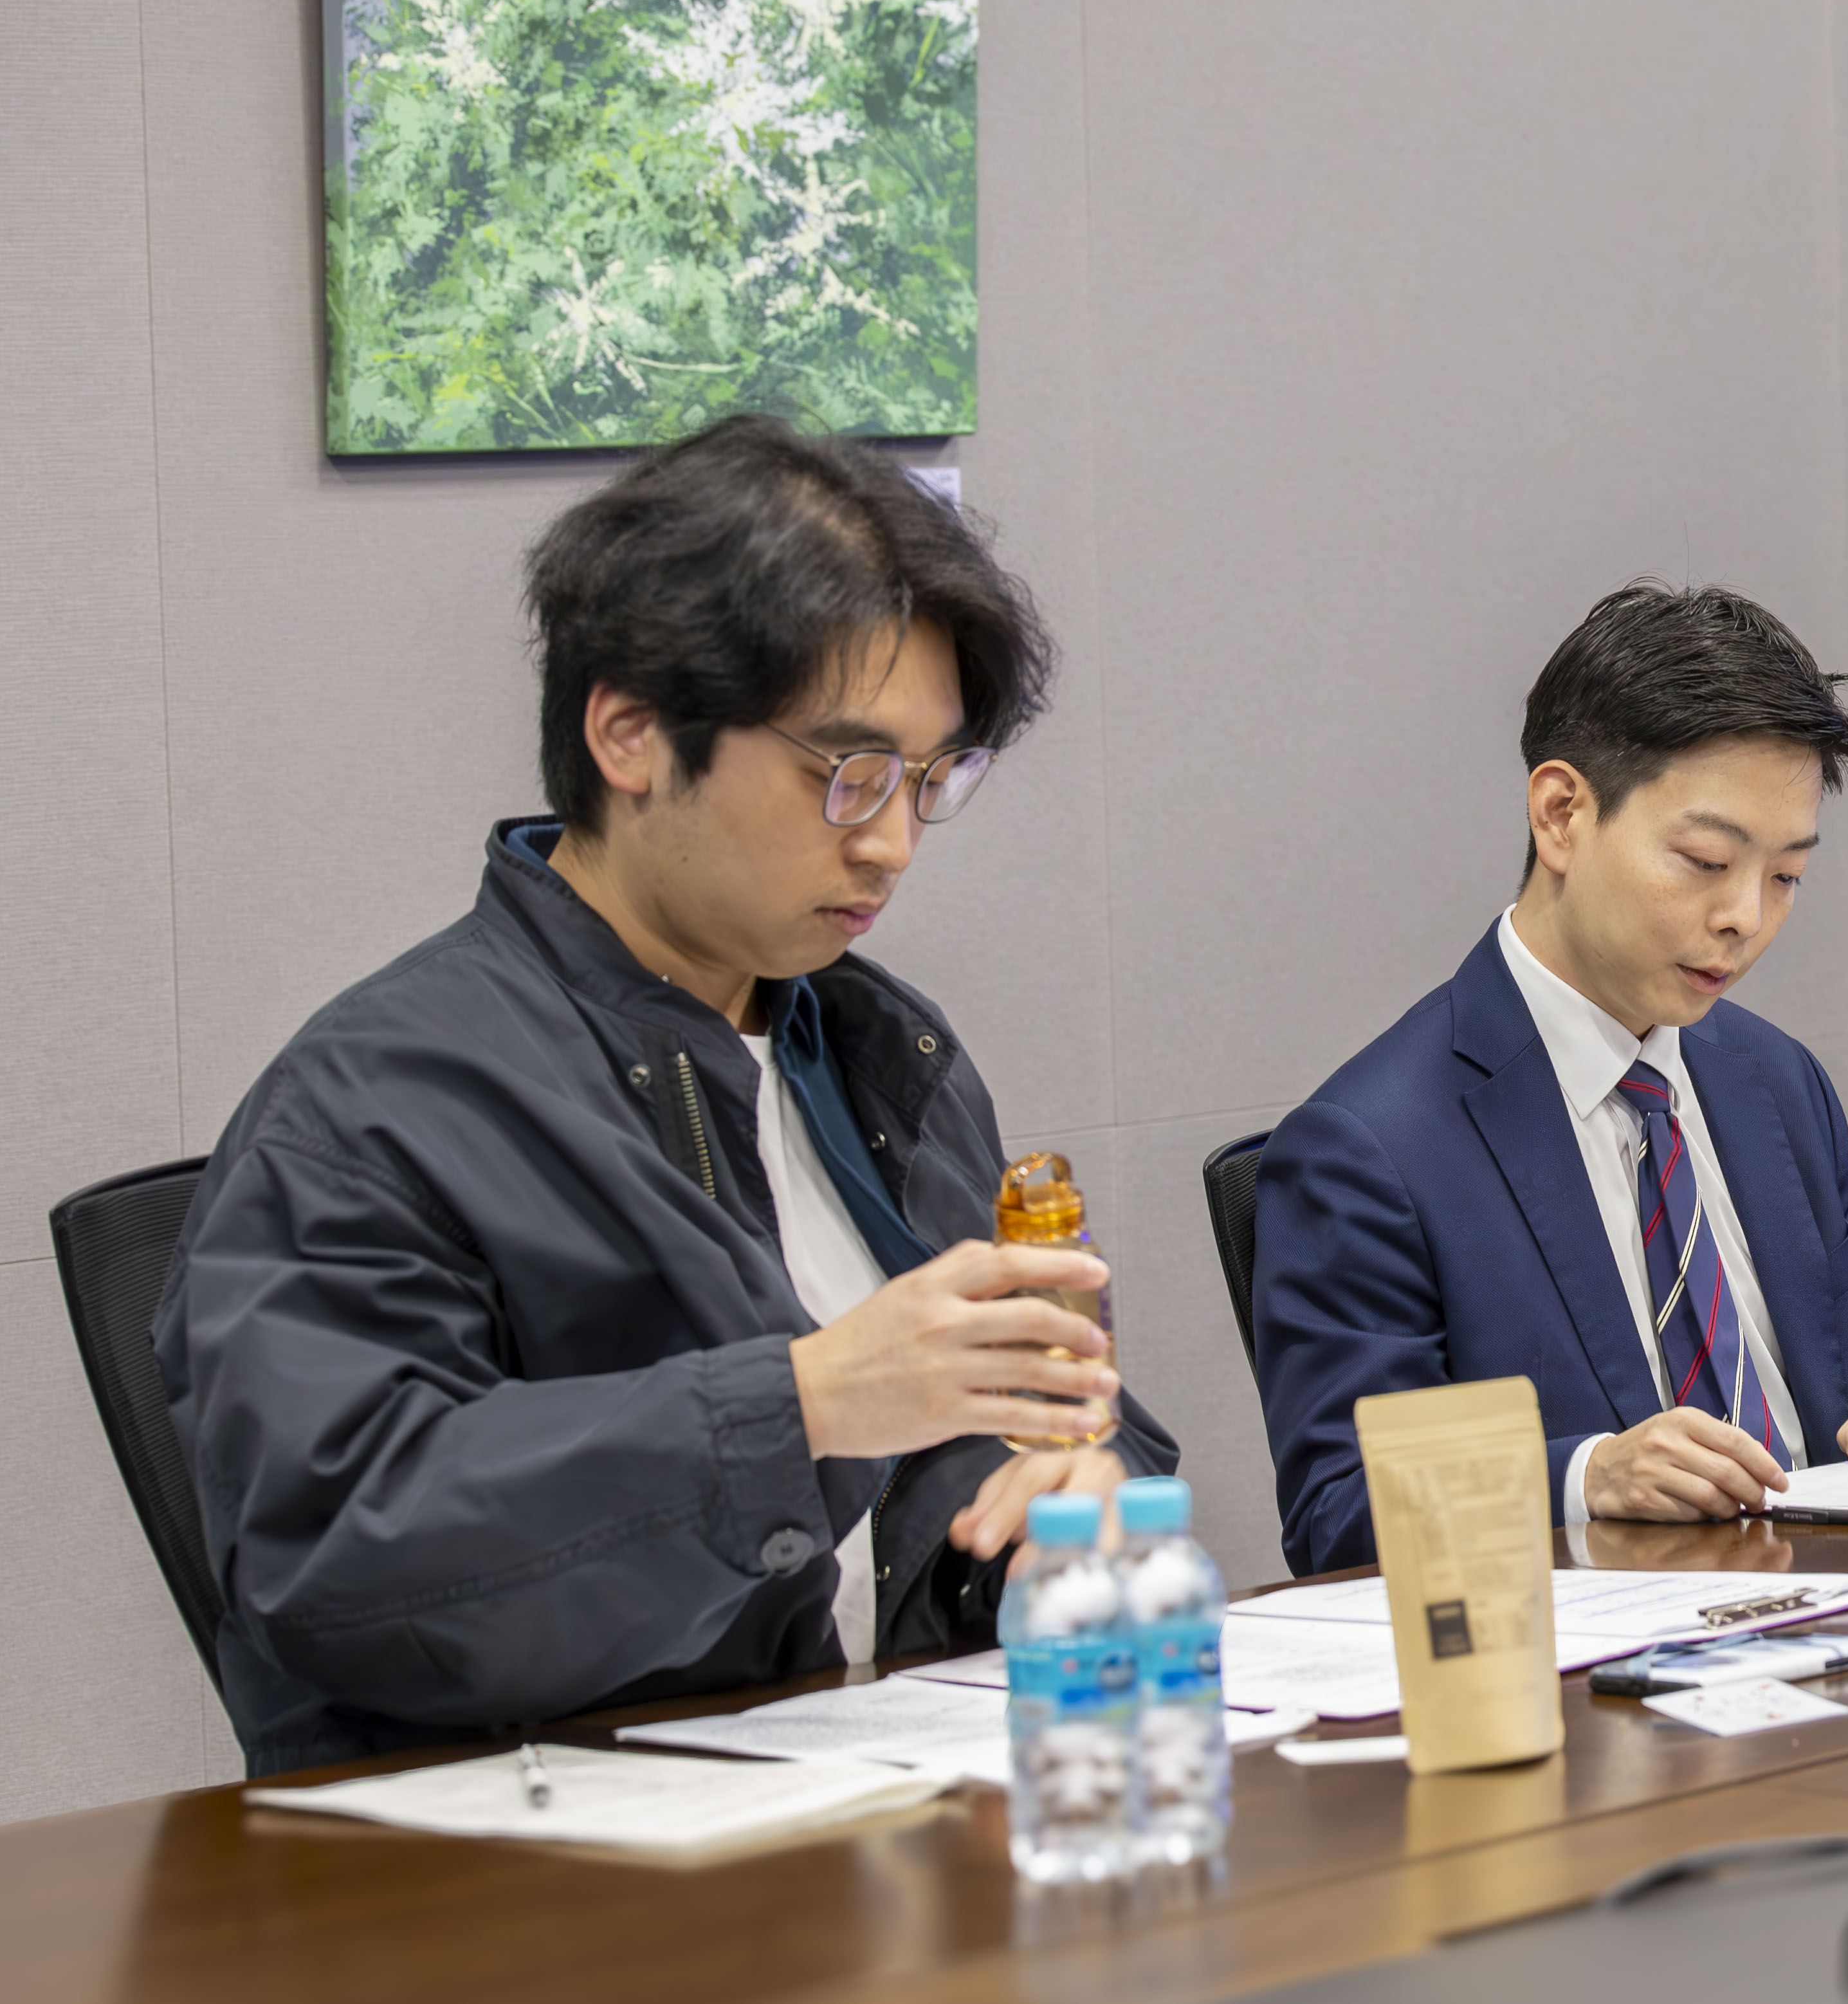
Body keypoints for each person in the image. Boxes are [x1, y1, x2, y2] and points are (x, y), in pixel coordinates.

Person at [156, 416, 1176, 1773]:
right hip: (542, 1841)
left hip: (899, 1793)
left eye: (931, 782)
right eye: (846, 774)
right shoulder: (373, 1105)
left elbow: (1016, 1429)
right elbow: (340, 1561)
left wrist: (1060, 1505)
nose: (891, 842)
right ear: (631, 733)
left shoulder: (876, 1052)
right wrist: (801, 1407)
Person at [1249, 584, 1848, 1576]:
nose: (1746, 917)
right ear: (1562, 814)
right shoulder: (1373, 1148)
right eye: (1706, 861)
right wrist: (1584, 1477)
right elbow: (1339, 1512)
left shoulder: (1776, 1083)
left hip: (1844, 1618)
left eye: (1786, 877)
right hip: (1599, 1658)